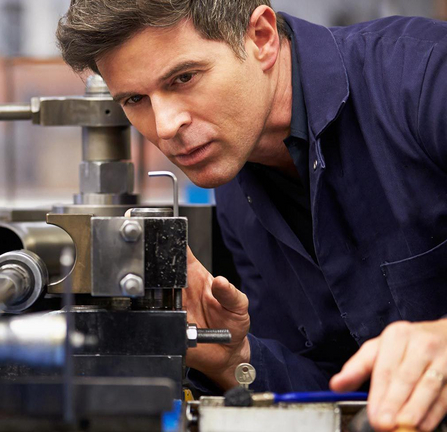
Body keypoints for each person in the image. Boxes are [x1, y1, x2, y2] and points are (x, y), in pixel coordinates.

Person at [57, 1, 447, 430]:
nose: (166, 125)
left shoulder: (426, 80)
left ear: (260, 37)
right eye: (135, 99)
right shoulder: (232, 185)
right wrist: (237, 359)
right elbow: (330, 390)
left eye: (183, 78)